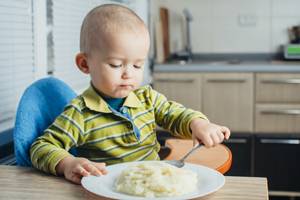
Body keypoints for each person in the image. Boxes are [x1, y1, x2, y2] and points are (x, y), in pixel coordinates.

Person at [30, 4, 230, 184]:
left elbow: (175, 114)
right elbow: (41, 147)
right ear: (85, 64)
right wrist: (68, 163)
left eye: (137, 65)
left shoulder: (147, 99)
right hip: (110, 189)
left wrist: (199, 124)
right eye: (116, 64)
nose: (128, 74)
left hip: (154, 185)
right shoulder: (80, 113)